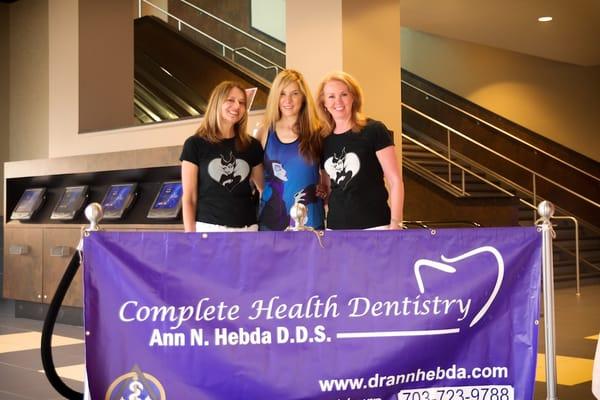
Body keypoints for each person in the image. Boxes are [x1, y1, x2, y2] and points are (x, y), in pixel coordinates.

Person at [317, 71, 404, 230]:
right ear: (324, 103)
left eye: (344, 94)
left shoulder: (374, 130)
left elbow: (395, 181)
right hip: (336, 228)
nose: (338, 101)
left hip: (375, 226)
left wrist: (396, 223)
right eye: (331, 96)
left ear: (353, 98)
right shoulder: (323, 138)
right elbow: (328, 187)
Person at [180, 81, 264, 232]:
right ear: (217, 102)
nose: (237, 106)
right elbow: (189, 197)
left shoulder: (252, 145)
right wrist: (190, 236)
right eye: (230, 100)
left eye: (242, 102)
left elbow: (263, 188)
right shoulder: (194, 144)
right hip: (209, 229)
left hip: (247, 229)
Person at [256, 69, 325, 230]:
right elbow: (259, 181)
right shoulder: (264, 132)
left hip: (309, 219)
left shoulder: (318, 132)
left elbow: (326, 178)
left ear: (303, 98)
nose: (288, 100)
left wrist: (324, 189)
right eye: (282, 94)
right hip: (271, 220)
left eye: (294, 93)